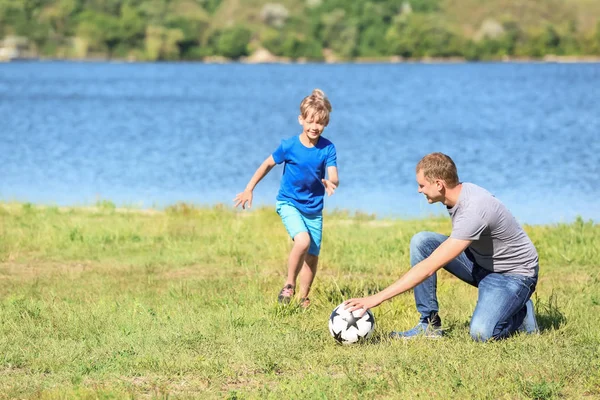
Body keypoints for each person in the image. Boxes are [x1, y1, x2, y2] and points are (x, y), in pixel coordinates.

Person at [345, 152, 539, 341]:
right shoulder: (459, 194)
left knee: (482, 333)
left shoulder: (474, 210)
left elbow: (428, 268)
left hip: (514, 276)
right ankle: (429, 326)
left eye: (422, 185)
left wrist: (375, 299)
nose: (419, 190)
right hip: (481, 263)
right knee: (423, 242)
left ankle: (520, 312)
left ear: (439, 184)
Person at [234, 89, 339, 308]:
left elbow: (333, 175)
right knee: (302, 241)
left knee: (312, 255)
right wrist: (249, 188)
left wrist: (332, 182)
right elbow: (267, 164)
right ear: (301, 120)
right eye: (310, 121)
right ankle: (289, 284)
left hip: (314, 209)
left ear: (326, 124)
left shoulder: (328, 148)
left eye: (320, 123)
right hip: (289, 203)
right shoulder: (289, 146)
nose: (314, 127)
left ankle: (303, 297)